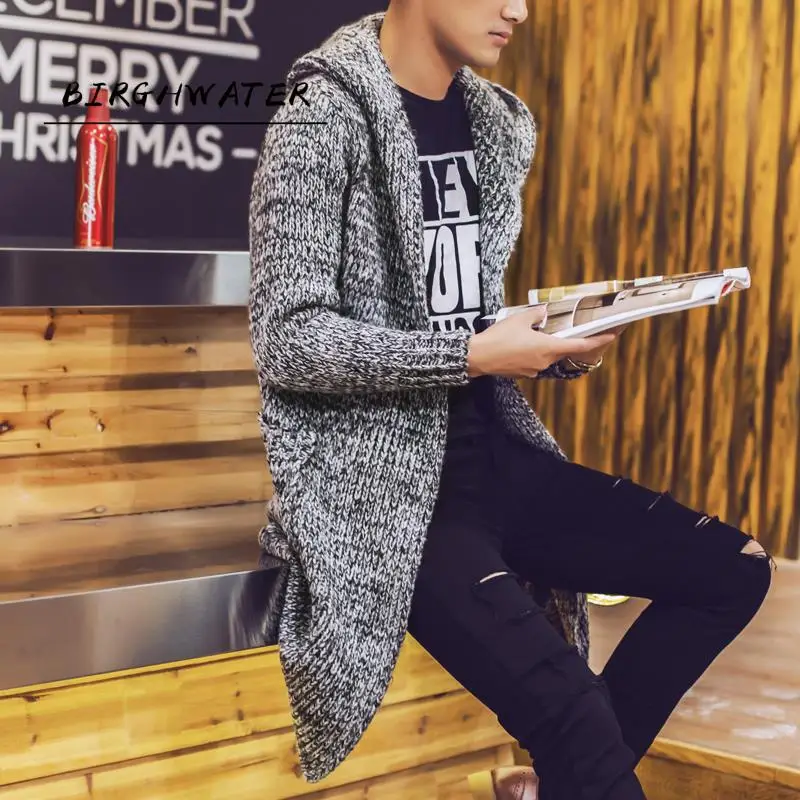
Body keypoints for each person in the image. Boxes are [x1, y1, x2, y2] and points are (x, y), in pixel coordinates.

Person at [247, 3, 774, 798]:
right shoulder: (320, 113)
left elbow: (466, 315)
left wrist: (557, 340)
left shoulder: (494, 123)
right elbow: (289, 339)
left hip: (495, 453)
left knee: (731, 572)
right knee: (576, 721)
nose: (519, 9)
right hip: (384, 498)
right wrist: (473, 353)